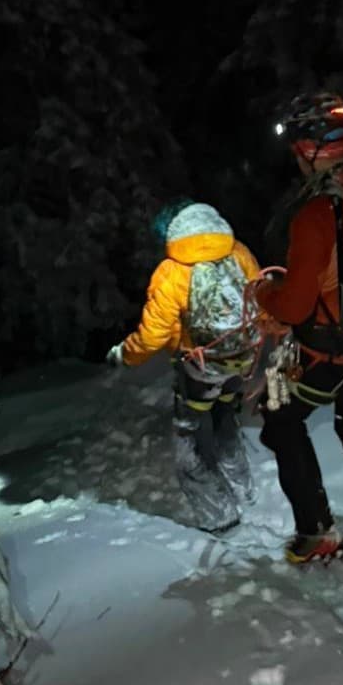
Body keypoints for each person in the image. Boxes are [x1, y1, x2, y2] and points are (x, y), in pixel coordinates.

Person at [254, 90, 343, 570]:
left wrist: (264, 294)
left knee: (280, 419)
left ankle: (315, 530)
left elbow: (295, 307)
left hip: (332, 351)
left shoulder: (317, 211)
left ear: (306, 149)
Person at [107, 198, 263, 534]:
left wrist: (126, 355)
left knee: (189, 436)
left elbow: (153, 336)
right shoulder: (239, 253)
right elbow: (260, 301)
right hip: (240, 361)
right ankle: (243, 485)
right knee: (225, 416)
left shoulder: (172, 271)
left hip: (199, 368)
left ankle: (219, 515)